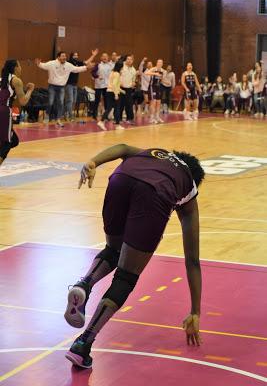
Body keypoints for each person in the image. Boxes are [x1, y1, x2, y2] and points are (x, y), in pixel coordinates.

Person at [64, 144, 205, 369]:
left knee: (114, 249)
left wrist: (92, 162)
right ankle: (83, 344)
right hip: (154, 194)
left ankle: (84, 284)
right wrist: (196, 311)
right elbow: (193, 260)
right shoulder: (188, 186)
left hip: (120, 178)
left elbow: (121, 148)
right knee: (126, 277)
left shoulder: (155, 152)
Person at [36, 51, 88, 127]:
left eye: (65, 56)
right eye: (63, 56)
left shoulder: (68, 65)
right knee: (50, 102)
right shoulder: (52, 63)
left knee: (60, 103)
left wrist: (86, 67)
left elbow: (76, 69)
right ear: (58, 57)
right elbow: (43, 65)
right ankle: (47, 116)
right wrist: (38, 64)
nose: (64, 58)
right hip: (52, 86)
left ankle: (58, 119)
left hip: (61, 87)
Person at [0, 60, 34, 167]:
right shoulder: (16, 80)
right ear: (15, 68)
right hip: (4, 112)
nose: (21, 68)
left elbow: (8, 93)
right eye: (19, 65)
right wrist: (30, 90)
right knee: (7, 143)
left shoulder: (2, 79)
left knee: (13, 140)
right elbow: (23, 101)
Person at [65, 49, 98, 121]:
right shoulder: (68, 62)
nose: (76, 56)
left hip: (75, 84)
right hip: (69, 84)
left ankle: (68, 113)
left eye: (77, 55)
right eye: (74, 55)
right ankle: (70, 115)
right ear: (71, 56)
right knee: (70, 100)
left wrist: (93, 55)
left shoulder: (77, 62)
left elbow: (86, 62)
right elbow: (78, 68)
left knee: (73, 100)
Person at [101, 61, 125, 131]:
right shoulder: (117, 74)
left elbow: (112, 84)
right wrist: (116, 94)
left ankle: (101, 121)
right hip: (113, 92)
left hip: (109, 91)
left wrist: (121, 90)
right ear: (120, 67)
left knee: (109, 108)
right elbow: (114, 85)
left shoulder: (112, 72)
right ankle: (117, 125)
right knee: (117, 108)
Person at [92, 53, 113, 127]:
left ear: (108, 58)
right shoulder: (98, 65)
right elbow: (93, 72)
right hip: (98, 85)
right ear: (101, 58)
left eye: (106, 57)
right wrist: (97, 76)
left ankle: (105, 116)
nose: (104, 58)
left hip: (107, 85)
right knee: (97, 100)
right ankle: (94, 115)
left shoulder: (110, 66)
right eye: (103, 56)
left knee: (107, 101)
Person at [147, 59, 166, 124]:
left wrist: (166, 82)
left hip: (159, 87)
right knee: (153, 102)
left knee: (158, 102)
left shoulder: (163, 71)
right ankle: (151, 118)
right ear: (157, 63)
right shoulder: (153, 69)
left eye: (161, 62)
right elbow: (146, 73)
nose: (160, 63)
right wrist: (155, 73)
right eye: (159, 62)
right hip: (152, 87)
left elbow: (162, 80)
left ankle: (157, 116)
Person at [120, 55, 136, 125]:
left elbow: (133, 80)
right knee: (120, 104)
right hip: (121, 88)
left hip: (129, 89)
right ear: (125, 60)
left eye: (131, 59)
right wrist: (119, 83)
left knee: (129, 104)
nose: (129, 60)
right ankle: (118, 119)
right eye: (128, 59)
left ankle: (130, 119)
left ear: (132, 61)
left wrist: (133, 83)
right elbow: (116, 75)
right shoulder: (121, 66)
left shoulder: (133, 70)